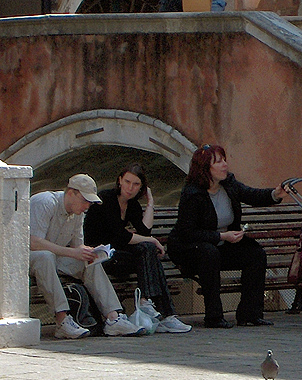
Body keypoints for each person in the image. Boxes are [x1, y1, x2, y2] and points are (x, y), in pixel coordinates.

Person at [167, 145, 287, 330]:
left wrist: (275, 194)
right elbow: (187, 233)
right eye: (219, 162)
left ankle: (250, 314)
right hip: (190, 249)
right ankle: (213, 317)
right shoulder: (192, 194)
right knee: (209, 253)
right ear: (205, 168)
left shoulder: (229, 184)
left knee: (255, 254)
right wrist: (221, 235)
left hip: (221, 245)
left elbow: (251, 194)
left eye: (224, 160)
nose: (225, 165)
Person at [29, 174, 140, 339]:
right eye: (85, 200)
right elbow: (33, 242)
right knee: (45, 256)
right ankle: (62, 321)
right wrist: (73, 252)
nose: (87, 206)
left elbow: (77, 245)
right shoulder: (45, 202)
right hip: (27, 259)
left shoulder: (78, 213)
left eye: (90, 202)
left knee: (90, 262)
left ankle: (113, 318)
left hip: (54, 258)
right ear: (71, 193)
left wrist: (89, 252)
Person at [84, 164, 191, 334]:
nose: (130, 188)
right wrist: (151, 240)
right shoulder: (107, 199)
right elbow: (121, 236)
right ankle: (164, 313)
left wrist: (150, 204)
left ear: (141, 187)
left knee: (147, 249)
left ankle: (148, 303)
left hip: (119, 255)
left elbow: (143, 231)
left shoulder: (132, 205)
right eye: (127, 182)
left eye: (136, 184)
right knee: (148, 247)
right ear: (119, 180)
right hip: (100, 256)